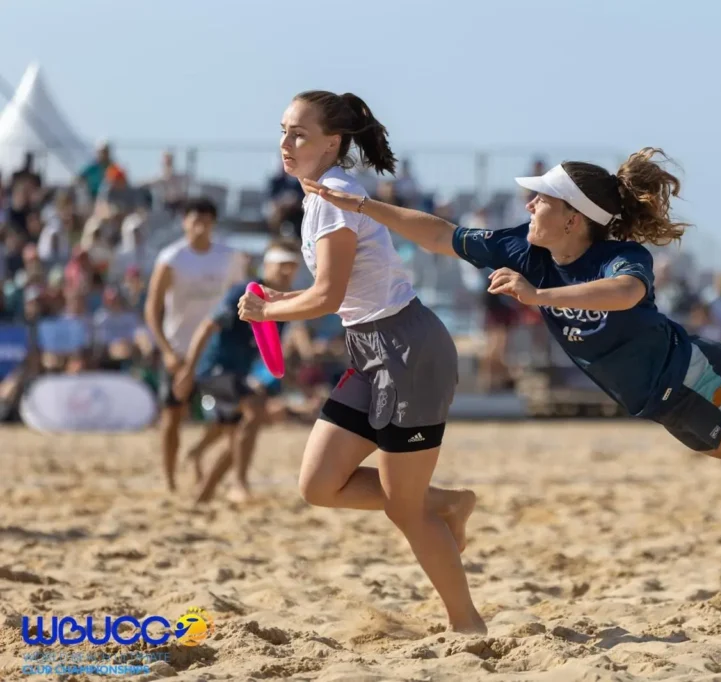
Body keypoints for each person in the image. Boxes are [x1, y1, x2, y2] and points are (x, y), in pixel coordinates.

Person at [301, 147, 721, 567]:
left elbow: (626, 294)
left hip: (696, 383)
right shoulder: (522, 246)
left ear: (573, 217)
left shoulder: (618, 257)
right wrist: (365, 206)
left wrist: (541, 295)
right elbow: (441, 235)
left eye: (541, 198)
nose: (528, 203)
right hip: (669, 402)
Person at [235, 90, 484, 633]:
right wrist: (279, 302)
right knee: (319, 484)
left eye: (299, 134)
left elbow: (327, 296)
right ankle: (449, 503)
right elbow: (337, 293)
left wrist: (269, 311)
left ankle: (467, 624)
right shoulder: (318, 196)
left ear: (332, 142)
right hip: (370, 346)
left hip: (408, 349)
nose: (285, 142)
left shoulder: (336, 195)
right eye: (283, 131)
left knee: (404, 509)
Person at [175, 239, 303, 503]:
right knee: (252, 413)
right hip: (215, 368)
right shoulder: (243, 293)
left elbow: (268, 347)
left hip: (241, 372)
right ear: (266, 265)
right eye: (281, 265)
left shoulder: (284, 302)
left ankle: (204, 484)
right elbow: (206, 328)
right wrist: (188, 370)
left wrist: (277, 375)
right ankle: (238, 484)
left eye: (291, 265)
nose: (286, 271)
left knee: (234, 427)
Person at [144, 197, 247, 493]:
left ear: (213, 223)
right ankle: (169, 479)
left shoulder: (229, 256)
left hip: (215, 350)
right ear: (184, 222)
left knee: (231, 417)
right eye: (195, 219)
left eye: (206, 219)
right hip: (179, 347)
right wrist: (166, 351)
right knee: (172, 414)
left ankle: (202, 456)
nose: (200, 226)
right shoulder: (172, 258)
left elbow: (240, 299)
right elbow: (152, 308)